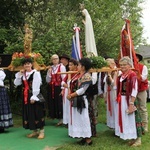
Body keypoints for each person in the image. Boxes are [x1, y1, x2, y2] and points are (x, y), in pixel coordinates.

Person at [14, 58, 45, 139]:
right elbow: (16, 83)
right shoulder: (23, 74)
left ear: (31, 64)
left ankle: (41, 131)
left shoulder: (35, 73)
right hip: (26, 95)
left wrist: (34, 96)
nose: (27, 65)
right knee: (29, 113)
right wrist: (19, 75)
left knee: (37, 112)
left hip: (34, 94)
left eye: (28, 63)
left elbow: (37, 85)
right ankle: (34, 131)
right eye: (25, 64)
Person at [115, 56, 143, 147]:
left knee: (134, 119)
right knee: (127, 119)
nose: (122, 66)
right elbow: (116, 87)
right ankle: (132, 137)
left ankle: (138, 139)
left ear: (129, 65)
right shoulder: (121, 76)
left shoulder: (132, 75)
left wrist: (131, 103)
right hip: (122, 99)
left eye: (124, 65)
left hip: (129, 99)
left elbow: (134, 90)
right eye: (121, 65)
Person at [67, 58, 92, 145]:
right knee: (78, 118)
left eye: (79, 65)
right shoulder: (78, 75)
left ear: (83, 67)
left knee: (84, 118)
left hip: (82, 99)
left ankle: (88, 139)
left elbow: (82, 90)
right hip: (76, 98)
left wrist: (71, 95)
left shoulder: (87, 76)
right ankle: (83, 137)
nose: (77, 66)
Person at [46, 54, 66, 126]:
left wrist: (63, 89)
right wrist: (48, 73)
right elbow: (48, 80)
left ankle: (62, 119)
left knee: (59, 102)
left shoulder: (62, 67)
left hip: (59, 87)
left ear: (58, 59)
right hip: (52, 87)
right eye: (53, 59)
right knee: (53, 102)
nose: (55, 60)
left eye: (56, 59)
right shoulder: (50, 68)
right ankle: (56, 117)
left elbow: (64, 78)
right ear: (51, 60)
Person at [61, 58, 78, 125]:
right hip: (67, 91)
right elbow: (62, 82)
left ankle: (73, 121)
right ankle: (68, 121)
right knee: (67, 107)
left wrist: (68, 85)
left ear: (75, 66)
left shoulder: (77, 73)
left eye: (71, 65)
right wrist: (66, 85)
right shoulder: (69, 73)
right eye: (69, 65)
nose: (69, 66)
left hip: (73, 92)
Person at [136, 53, 149, 132]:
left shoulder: (143, 67)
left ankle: (144, 126)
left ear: (138, 59)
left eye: (136, 57)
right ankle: (136, 125)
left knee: (143, 108)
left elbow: (143, 78)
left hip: (141, 90)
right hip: (132, 91)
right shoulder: (129, 67)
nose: (135, 58)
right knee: (134, 108)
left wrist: (136, 74)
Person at [104, 58, 118, 129]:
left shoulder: (116, 71)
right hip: (109, 93)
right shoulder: (108, 72)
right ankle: (112, 125)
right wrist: (105, 96)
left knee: (115, 108)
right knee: (110, 108)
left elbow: (113, 84)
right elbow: (106, 85)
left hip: (115, 92)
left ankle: (116, 125)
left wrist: (109, 75)